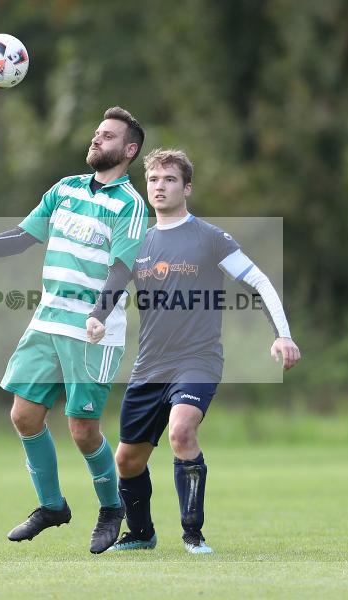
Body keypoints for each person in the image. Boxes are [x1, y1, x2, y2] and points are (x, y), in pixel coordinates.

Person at [0, 107, 148, 554]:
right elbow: (22, 237)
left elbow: (123, 268)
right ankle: (52, 506)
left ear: (129, 150)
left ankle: (112, 508)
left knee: (83, 430)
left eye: (107, 136)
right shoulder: (65, 190)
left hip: (92, 331)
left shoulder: (130, 206)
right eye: (96, 133)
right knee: (24, 415)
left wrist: (100, 314)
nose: (96, 140)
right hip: (47, 321)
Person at [85, 148, 301, 554]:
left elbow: (258, 282)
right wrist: (97, 317)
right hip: (150, 366)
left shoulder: (209, 238)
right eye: (153, 180)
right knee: (127, 461)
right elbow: (112, 286)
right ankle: (142, 534)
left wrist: (282, 334)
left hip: (197, 360)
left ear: (187, 188)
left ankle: (192, 533)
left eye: (169, 180)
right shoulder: (137, 241)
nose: (160, 186)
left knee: (182, 431)